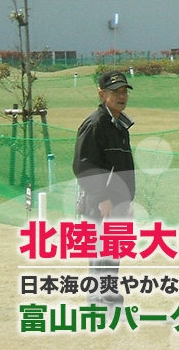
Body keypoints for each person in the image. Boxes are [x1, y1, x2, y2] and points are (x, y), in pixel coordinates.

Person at [73, 70, 136, 308]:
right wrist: (101, 198)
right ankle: (98, 302)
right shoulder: (96, 124)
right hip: (101, 204)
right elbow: (84, 165)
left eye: (123, 92)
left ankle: (108, 297)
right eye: (115, 92)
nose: (121, 97)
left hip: (118, 203)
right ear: (102, 94)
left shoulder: (117, 124)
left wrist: (127, 201)